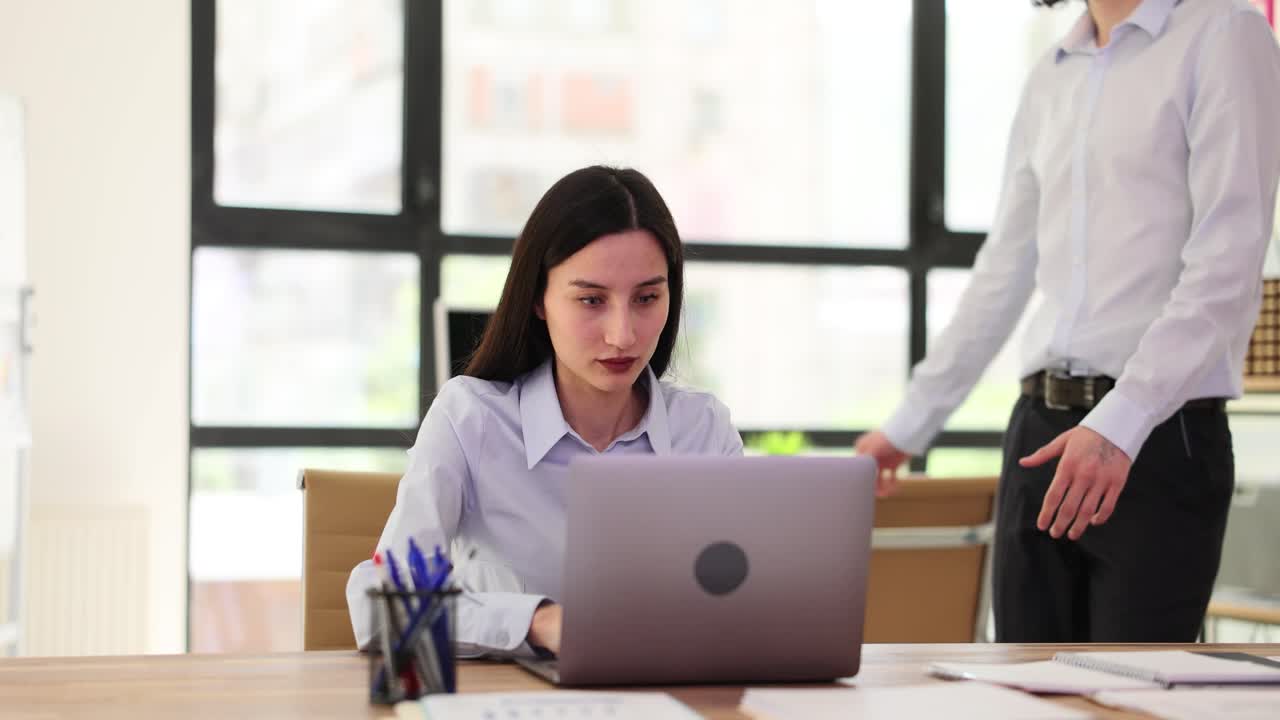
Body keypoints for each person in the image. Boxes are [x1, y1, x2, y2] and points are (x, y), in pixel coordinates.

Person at [856, 0, 1280, 642]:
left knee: (1132, 699)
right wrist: (908, 426)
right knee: (1025, 693)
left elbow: (1227, 259)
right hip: (1038, 433)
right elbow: (1005, 268)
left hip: (1158, 438)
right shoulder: (1051, 74)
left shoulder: (1226, 33)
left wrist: (1120, 424)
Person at [347, 166, 743, 657]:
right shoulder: (470, 420)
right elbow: (381, 602)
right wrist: (535, 623)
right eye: (591, 300)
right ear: (538, 298)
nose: (622, 335)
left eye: (647, 298)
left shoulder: (704, 432)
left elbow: (742, 602)